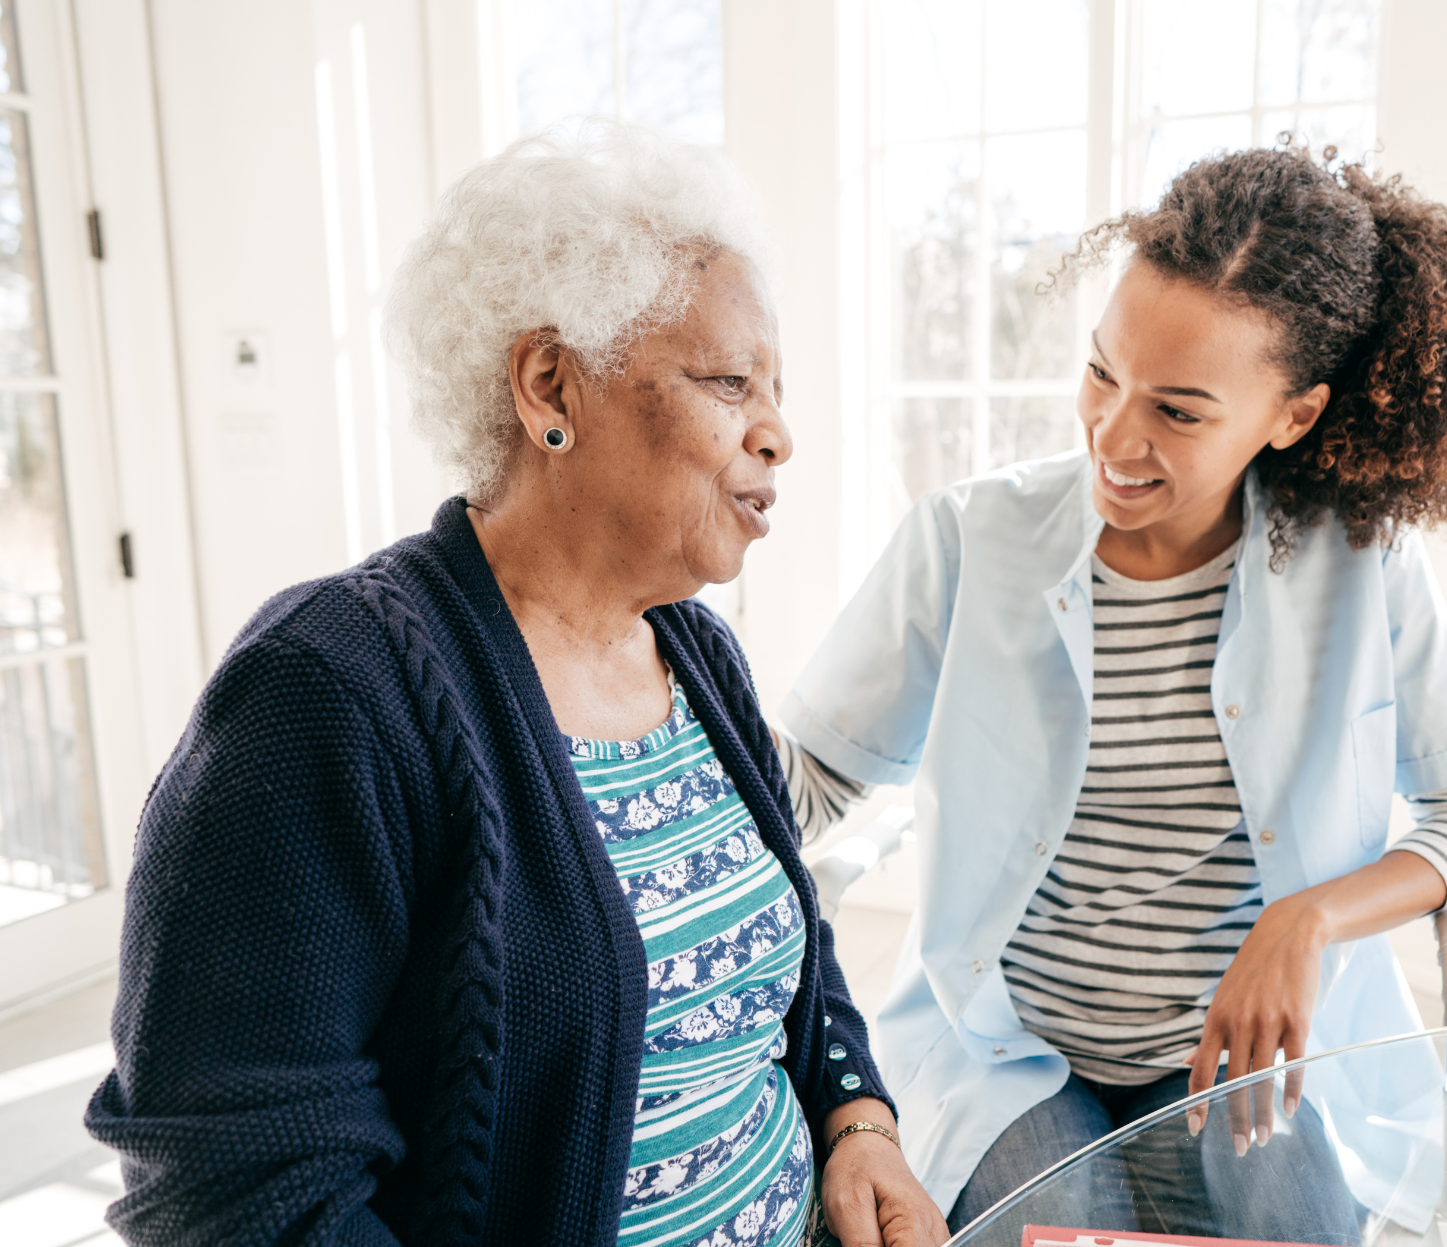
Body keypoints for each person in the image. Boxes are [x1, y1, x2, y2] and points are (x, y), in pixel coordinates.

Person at [85, 124, 946, 1247]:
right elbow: (239, 1191)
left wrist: (857, 1118)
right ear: (551, 384)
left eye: (775, 388)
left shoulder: (694, 648)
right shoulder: (324, 694)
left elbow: (789, 940)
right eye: (730, 381)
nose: (777, 432)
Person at [776, 146, 1447, 1242]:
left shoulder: (1362, 563)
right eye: (1101, 373)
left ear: (1292, 413)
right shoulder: (966, 541)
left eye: (1178, 412)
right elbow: (808, 775)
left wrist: (1307, 919)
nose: (1113, 436)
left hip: (1248, 1067)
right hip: (1013, 1050)